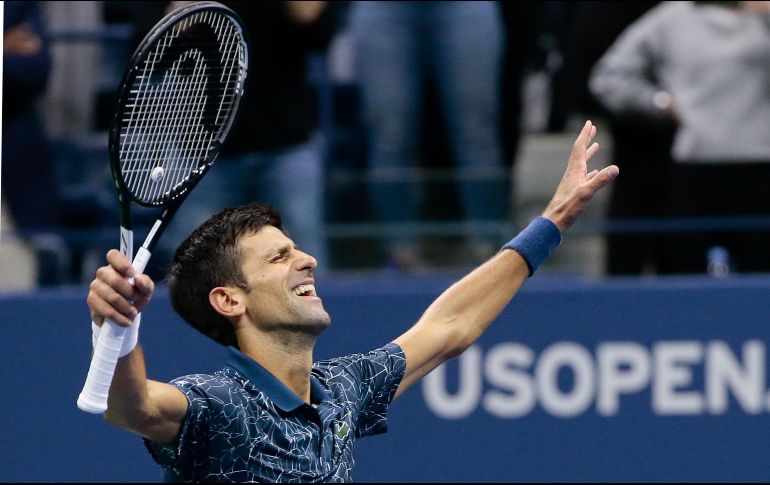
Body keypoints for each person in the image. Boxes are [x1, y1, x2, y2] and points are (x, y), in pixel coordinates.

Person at [86, 121, 618, 482]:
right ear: (229, 300)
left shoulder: (341, 391)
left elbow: (450, 325)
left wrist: (552, 222)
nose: (307, 260)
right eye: (278, 258)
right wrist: (118, 327)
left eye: (296, 248)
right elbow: (134, 407)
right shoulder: (219, 404)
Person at [589, 0, 770, 274]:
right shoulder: (671, 18)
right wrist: (658, 103)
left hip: (759, 168)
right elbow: (608, 76)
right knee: (685, 277)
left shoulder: (763, 17)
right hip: (694, 168)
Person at [349, 1, 509, 269]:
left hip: (463, 7)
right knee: (390, 136)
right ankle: (399, 255)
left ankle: (491, 255)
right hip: (384, 8)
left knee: (477, 135)